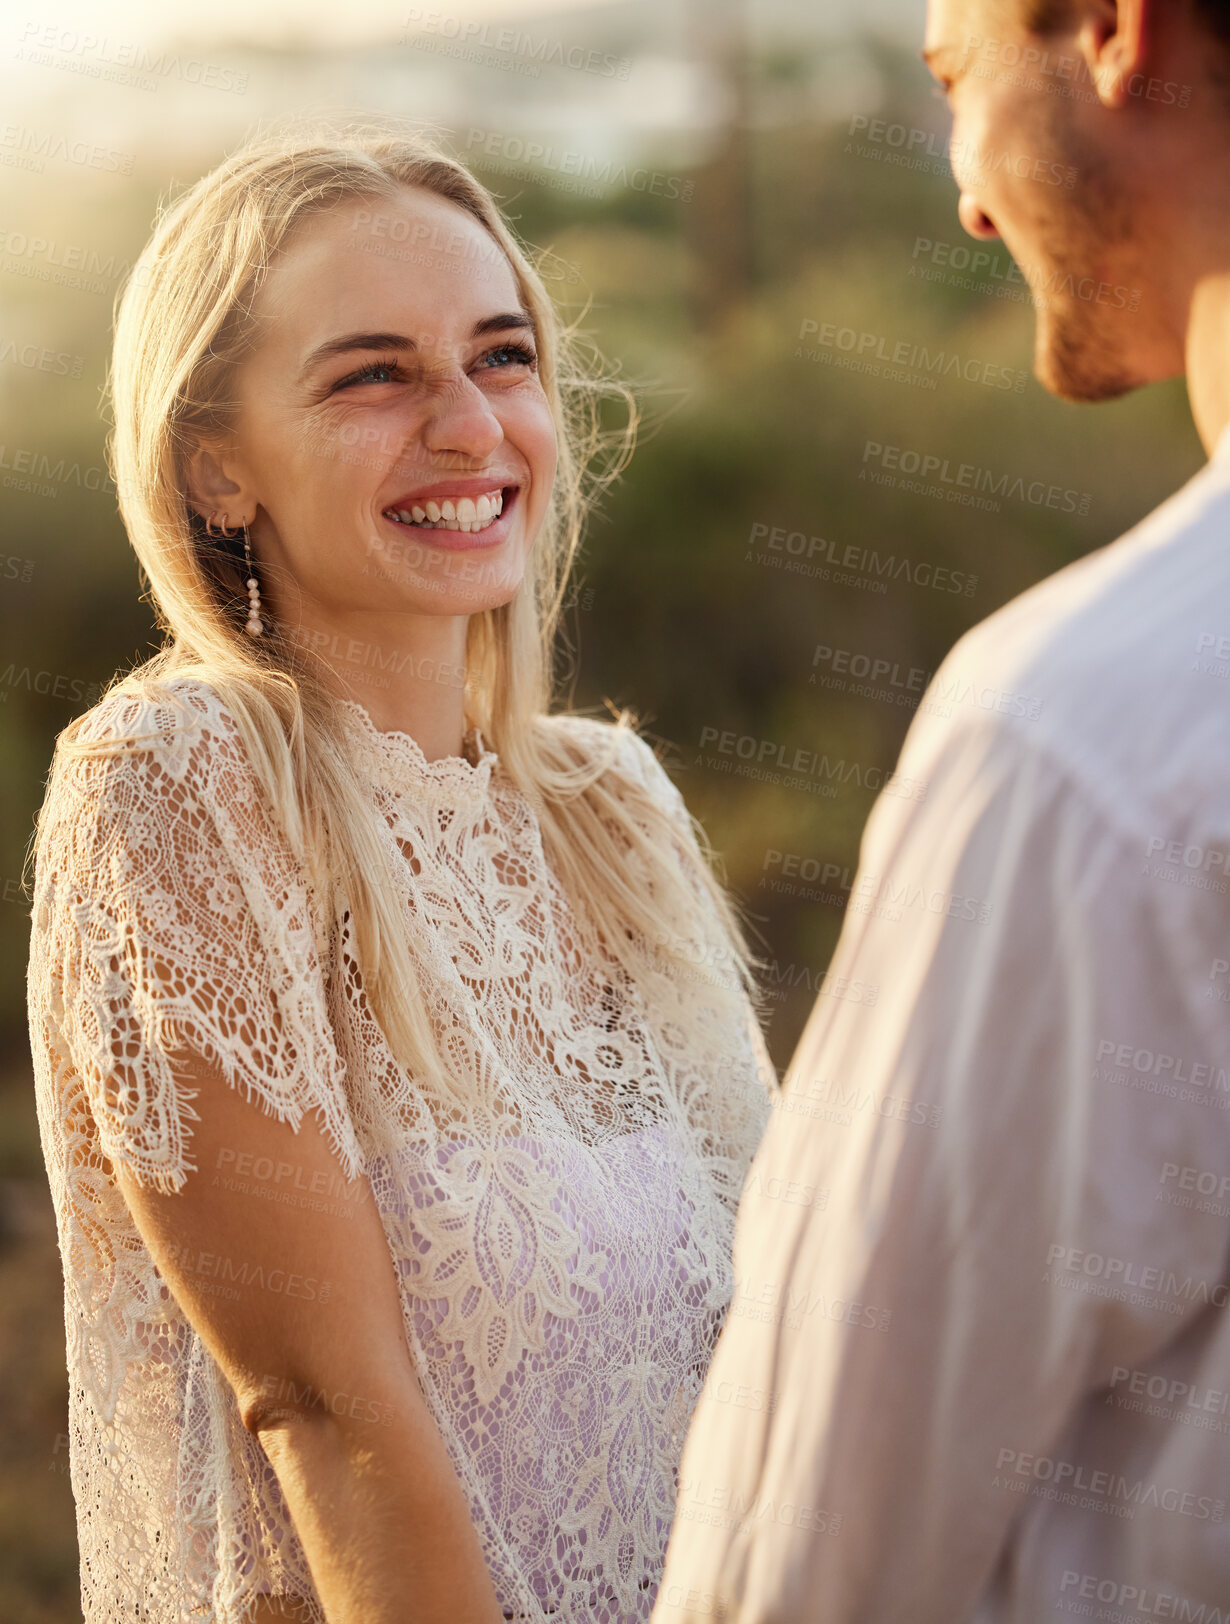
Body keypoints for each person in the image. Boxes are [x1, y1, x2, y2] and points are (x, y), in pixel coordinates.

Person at [24, 117, 777, 1624]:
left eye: (501, 357)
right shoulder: (176, 783)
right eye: (374, 374)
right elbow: (320, 1404)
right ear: (214, 467)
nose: (468, 426)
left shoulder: (607, 809)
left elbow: (786, 1316)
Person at [651, 0, 1230, 1618]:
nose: (966, 197)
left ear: (1114, 31)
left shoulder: (1078, 743)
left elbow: (809, 1544)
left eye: (954, 78)